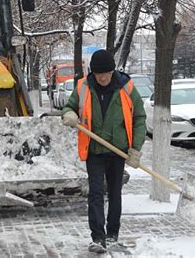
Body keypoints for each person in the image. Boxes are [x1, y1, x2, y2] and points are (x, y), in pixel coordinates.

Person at [61, 50, 146, 253]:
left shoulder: (126, 87)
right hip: (95, 150)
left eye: (107, 73)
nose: (103, 77)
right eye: (99, 74)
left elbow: (139, 117)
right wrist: (70, 114)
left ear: (112, 71)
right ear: (93, 73)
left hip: (118, 151)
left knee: (115, 193)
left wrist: (136, 147)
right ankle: (98, 237)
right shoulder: (83, 87)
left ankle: (112, 234)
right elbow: (68, 107)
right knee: (96, 193)